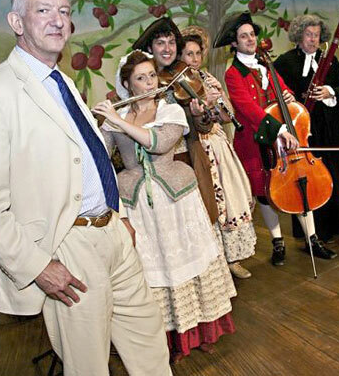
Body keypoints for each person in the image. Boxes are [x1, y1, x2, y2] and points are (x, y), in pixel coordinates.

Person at [0, 0, 171, 375]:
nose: (58, 21)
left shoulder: (64, 82)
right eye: (43, 10)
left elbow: (89, 158)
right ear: (16, 21)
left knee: (150, 346)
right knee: (88, 364)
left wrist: (121, 216)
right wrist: (36, 265)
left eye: (64, 12)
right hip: (68, 244)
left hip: (113, 235)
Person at [93, 50, 236, 362]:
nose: (149, 83)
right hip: (139, 206)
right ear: (127, 85)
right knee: (152, 270)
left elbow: (158, 143)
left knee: (187, 261)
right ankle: (166, 340)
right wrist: (93, 127)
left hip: (176, 201)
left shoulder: (169, 108)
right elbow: (99, 159)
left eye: (151, 76)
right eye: (140, 79)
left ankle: (200, 333)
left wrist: (117, 120)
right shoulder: (117, 118)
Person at [217, 12, 337, 266]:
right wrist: (280, 129)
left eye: (252, 34)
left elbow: (283, 89)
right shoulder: (232, 74)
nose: (250, 39)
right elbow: (247, 108)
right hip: (254, 141)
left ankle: (313, 239)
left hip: (282, 139)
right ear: (235, 44)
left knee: (300, 181)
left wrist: (289, 95)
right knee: (265, 192)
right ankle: (277, 241)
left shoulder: (266, 64)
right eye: (243, 36)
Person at [273, 14, 339, 241]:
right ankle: (316, 231)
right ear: (299, 36)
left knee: (337, 172)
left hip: (332, 125)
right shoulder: (285, 61)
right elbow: (278, 96)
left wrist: (329, 91)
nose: (313, 39)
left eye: (317, 35)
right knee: (308, 177)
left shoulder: (328, 59)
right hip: (304, 130)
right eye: (309, 35)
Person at [179, 26, 257, 279]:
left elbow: (226, 116)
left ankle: (233, 258)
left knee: (232, 201)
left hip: (218, 143)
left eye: (197, 54)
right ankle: (216, 260)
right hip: (199, 148)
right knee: (212, 205)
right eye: (188, 54)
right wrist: (206, 105)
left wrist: (219, 97)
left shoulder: (206, 78)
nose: (194, 59)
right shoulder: (179, 86)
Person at [131, 18, 219, 224]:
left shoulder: (185, 76)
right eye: (160, 43)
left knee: (199, 220)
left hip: (189, 157)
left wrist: (199, 114)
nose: (168, 48)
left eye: (171, 42)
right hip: (158, 164)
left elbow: (204, 126)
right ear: (150, 48)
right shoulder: (141, 82)